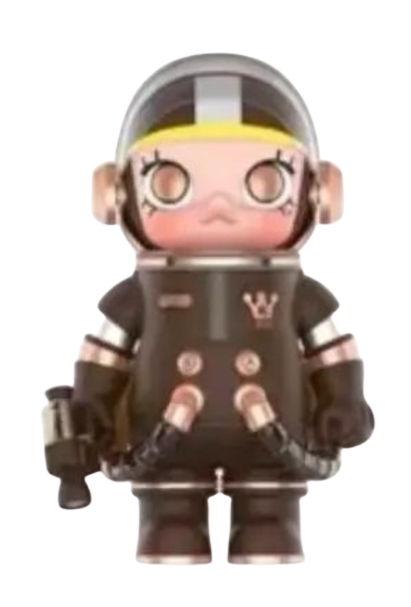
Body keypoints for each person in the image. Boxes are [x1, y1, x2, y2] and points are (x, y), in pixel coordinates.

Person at [42, 53, 374, 564]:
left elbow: (333, 354)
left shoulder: (296, 292)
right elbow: (103, 361)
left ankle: (268, 535)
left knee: (270, 534)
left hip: (273, 451)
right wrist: (94, 413)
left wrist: (343, 403)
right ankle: (171, 532)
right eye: (171, 183)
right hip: (163, 447)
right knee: (170, 533)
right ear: (116, 194)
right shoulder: (139, 294)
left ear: (319, 193)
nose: (219, 207)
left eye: (264, 182)